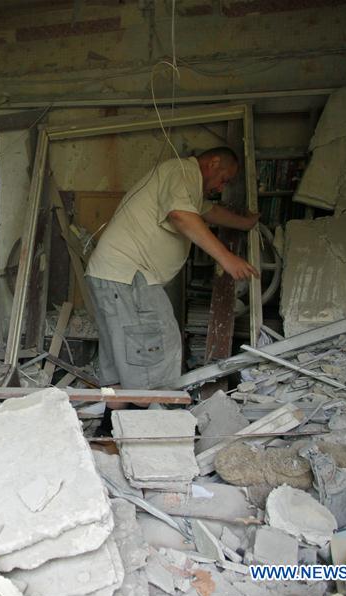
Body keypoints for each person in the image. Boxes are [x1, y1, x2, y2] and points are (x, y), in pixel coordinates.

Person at [85, 147, 259, 406]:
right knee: (157, 351)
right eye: (225, 179)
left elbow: (206, 211)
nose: (222, 188)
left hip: (110, 276)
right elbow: (180, 215)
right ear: (213, 163)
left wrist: (245, 223)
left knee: (120, 361)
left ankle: (111, 429)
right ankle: (152, 429)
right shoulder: (182, 171)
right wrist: (226, 258)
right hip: (129, 277)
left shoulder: (184, 184)